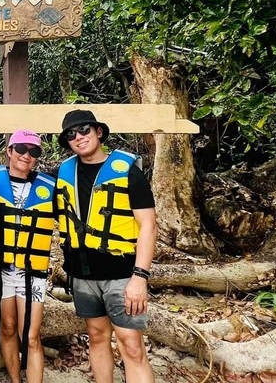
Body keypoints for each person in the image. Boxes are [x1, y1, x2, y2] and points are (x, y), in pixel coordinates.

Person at [55, 110, 157, 383]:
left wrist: (140, 277)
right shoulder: (64, 174)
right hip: (82, 274)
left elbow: (148, 226)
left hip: (122, 275)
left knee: (131, 345)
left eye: (84, 129)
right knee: (97, 336)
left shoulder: (128, 173)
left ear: (98, 132)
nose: (78, 137)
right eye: (71, 134)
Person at [0, 130, 56, 383]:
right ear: (9, 152)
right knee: (8, 326)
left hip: (32, 269)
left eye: (33, 151)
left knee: (31, 335)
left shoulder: (50, 186)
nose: (27, 155)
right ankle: (15, 379)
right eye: (21, 149)